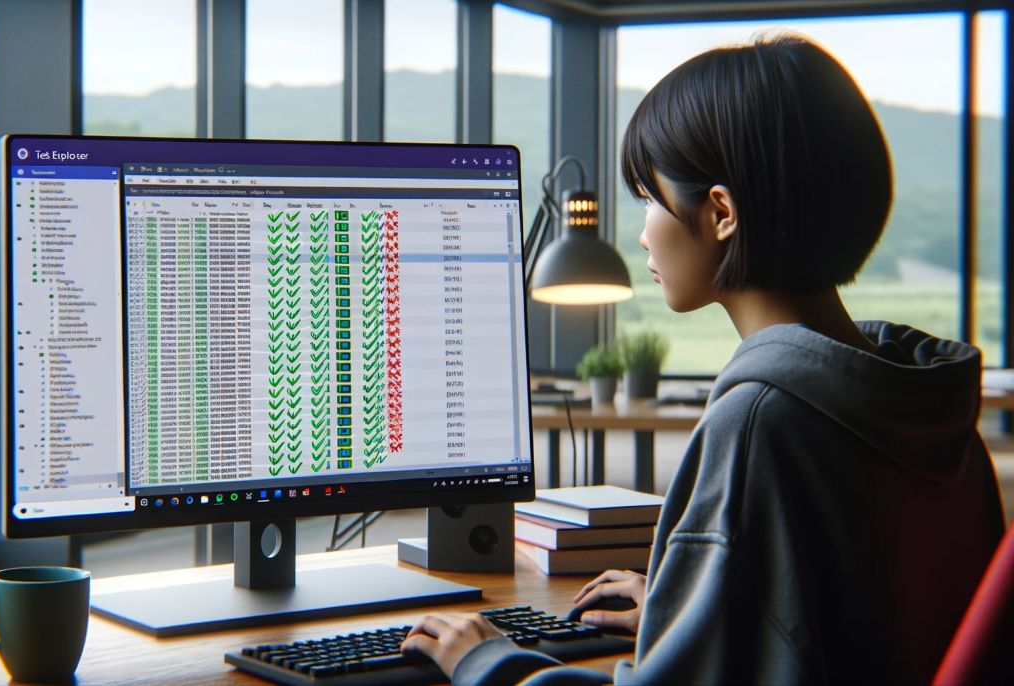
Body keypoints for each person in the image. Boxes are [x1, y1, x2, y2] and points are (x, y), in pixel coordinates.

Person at [401, 34, 1007, 685]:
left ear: (720, 213)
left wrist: (489, 662)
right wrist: (686, 608)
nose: (641, 232)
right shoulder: (933, 414)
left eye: (648, 197)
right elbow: (847, 625)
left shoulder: (762, 424)